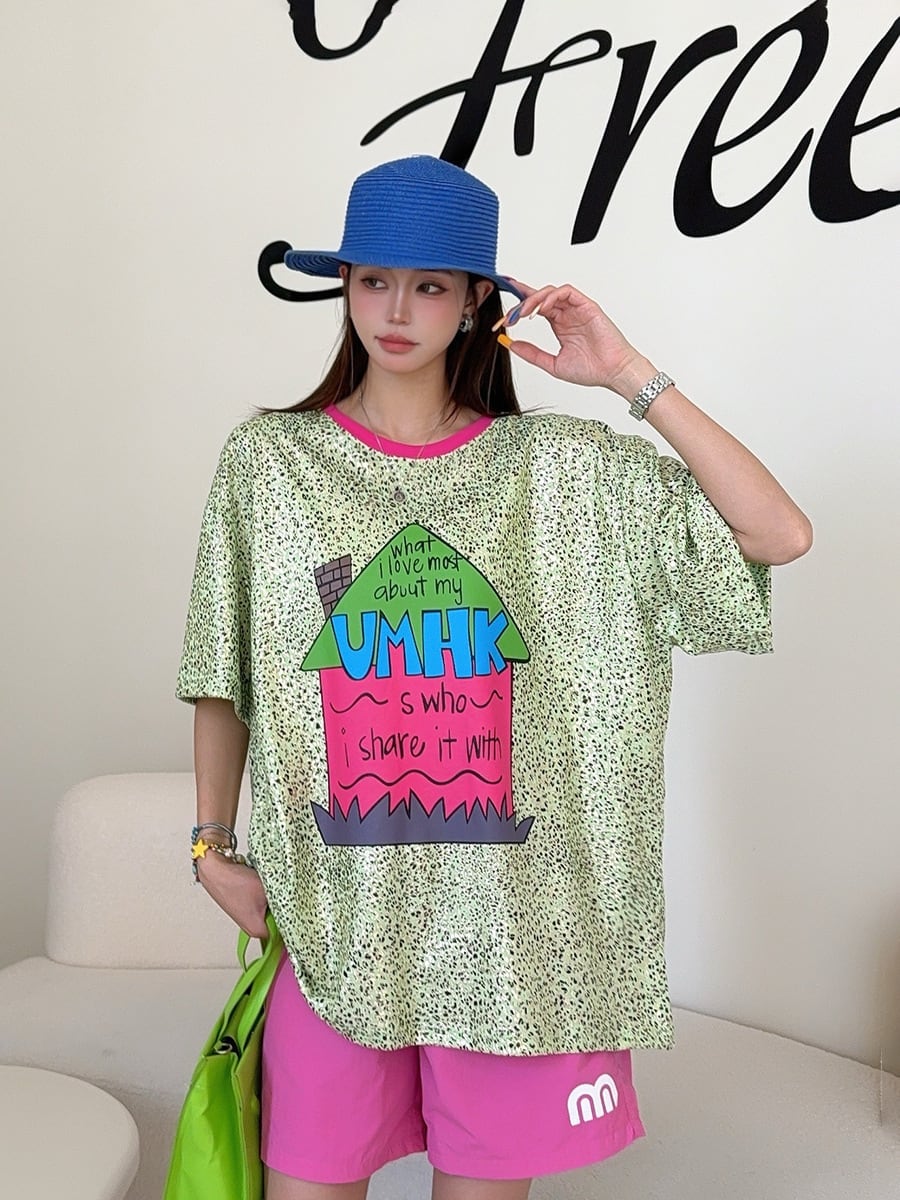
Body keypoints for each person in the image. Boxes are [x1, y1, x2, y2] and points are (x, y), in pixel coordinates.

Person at [177, 155, 812, 1200]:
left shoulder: (565, 471)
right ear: (344, 287)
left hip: (520, 940)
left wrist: (626, 374)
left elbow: (776, 534)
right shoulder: (269, 462)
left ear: (477, 302)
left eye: (430, 286)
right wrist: (211, 846)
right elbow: (222, 666)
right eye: (375, 280)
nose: (396, 311)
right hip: (336, 923)